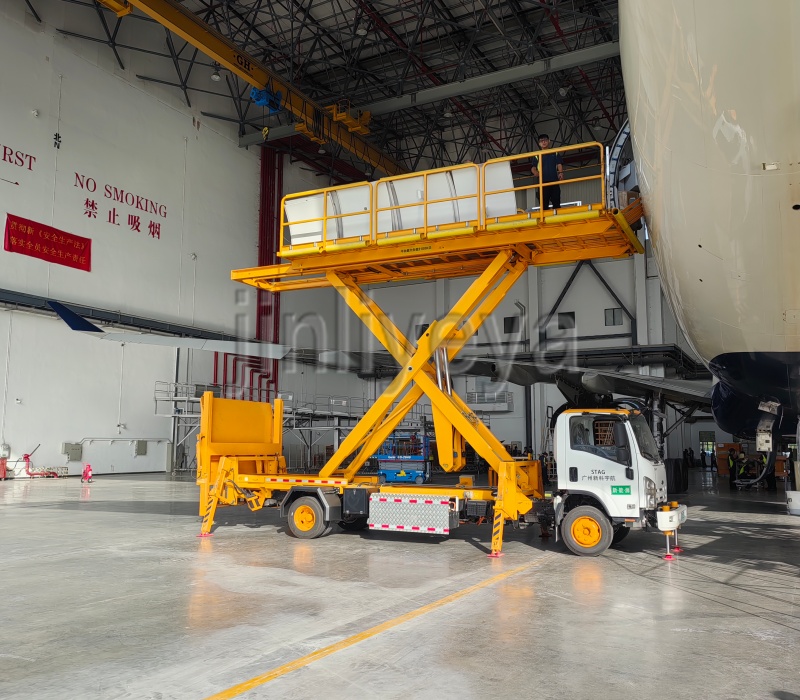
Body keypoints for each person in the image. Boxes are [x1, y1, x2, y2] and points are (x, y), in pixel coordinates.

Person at [530, 134, 564, 209]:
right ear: (539, 143)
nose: (544, 142)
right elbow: (533, 167)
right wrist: (535, 172)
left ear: (549, 141)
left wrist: (561, 173)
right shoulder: (537, 155)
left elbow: (559, 163)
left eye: (545, 140)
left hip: (554, 181)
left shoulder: (555, 152)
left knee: (556, 203)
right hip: (542, 183)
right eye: (541, 141)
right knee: (544, 205)